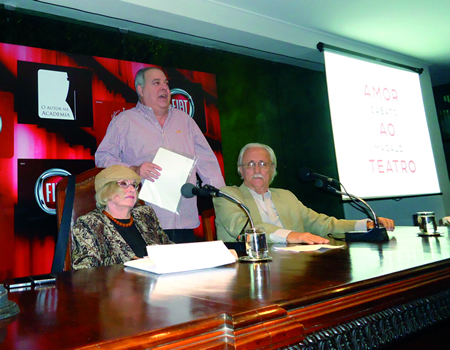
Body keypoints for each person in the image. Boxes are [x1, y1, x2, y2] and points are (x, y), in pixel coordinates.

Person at [95, 67, 225, 243]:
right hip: (143, 222)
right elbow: (102, 158)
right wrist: (134, 170)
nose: (164, 88)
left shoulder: (186, 121)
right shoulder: (124, 122)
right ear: (140, 90)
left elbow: (208, 163)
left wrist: (223, 201)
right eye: (156, 83)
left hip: (185, 220)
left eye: (166, 83)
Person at [213, 143, 395, 244]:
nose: (257, 169)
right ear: (241, 170)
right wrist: (292, 235)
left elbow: (321, 223)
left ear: (272, 169)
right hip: (250, 272)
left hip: (294, 268)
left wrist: (366, 224)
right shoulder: (228, 195)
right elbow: (242, 227)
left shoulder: (286, 196)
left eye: (263, 164)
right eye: (250, 164)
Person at [70, 165, 172, 270]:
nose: (132, 189)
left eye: (134, 185)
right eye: (124, 184)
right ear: (106, 190)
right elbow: (85, 269)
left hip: (158, 281)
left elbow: (167, 248)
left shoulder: (145, 214)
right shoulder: (89, 223)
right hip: (117, 284)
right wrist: (131, 262)